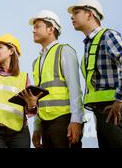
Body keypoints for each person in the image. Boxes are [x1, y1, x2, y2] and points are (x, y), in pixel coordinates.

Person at [68, 0, 122, 148]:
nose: (72, 16)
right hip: (102, 112)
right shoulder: (90, 44)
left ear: (90, 14)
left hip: (116, 112)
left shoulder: (108, 35)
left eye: (77, 12)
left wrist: (119, 100)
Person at [28, 10, 84, 148]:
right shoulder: (37, 61)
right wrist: (37, 126)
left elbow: (75, 89)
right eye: (33, 28)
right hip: (46, 124)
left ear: (51, 29)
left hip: (64, 120)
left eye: (37, 27)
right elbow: (38, 96)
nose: (33, 31)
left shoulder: (64, 51)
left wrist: (76, 121)